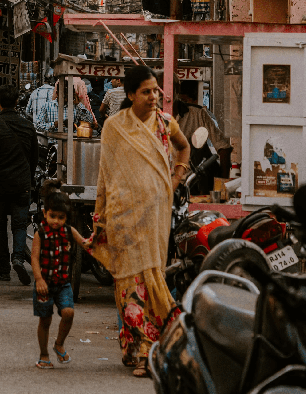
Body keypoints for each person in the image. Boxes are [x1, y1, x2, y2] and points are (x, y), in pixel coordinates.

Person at [85, 64, 190, 378]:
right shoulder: (114, 127)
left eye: (156, 90)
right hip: (124, 220)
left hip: (156, 219)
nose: (154, 96)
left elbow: (184, 148)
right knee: (130, 289)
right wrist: (101, 215)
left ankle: (154, 350)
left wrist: (176, 177)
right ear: (130, 95)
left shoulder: (165, 124)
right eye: (146, 91)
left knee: (153, 282)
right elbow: (106, 174)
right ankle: (141, 353)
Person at [0, 86, 39, 284]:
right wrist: (29, 182)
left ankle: (4, 270)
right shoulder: (28, 126)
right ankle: (19, 259)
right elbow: (34, 158)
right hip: (22, 184)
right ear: (16, 103)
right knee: (20, 225)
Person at [28, 186, 84, 369]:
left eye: (61, 217)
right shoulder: (40, 234)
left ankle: (59, 343)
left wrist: (99, 242)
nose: (56, 221)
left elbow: (85, 243)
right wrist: (39, 280)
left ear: (66, 218)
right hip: (44, 285)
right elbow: (34, 258)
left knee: (68, 313)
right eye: (53, 216)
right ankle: (44, 355)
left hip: (63, 284)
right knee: (45, 320)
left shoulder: (69, 232)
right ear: (45, 213)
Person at [173, 81, 222, 152]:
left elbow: (215, 142)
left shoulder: (201, 114)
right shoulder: (173, 115)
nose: (182, 105)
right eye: (180, 101)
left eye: (183, 101)